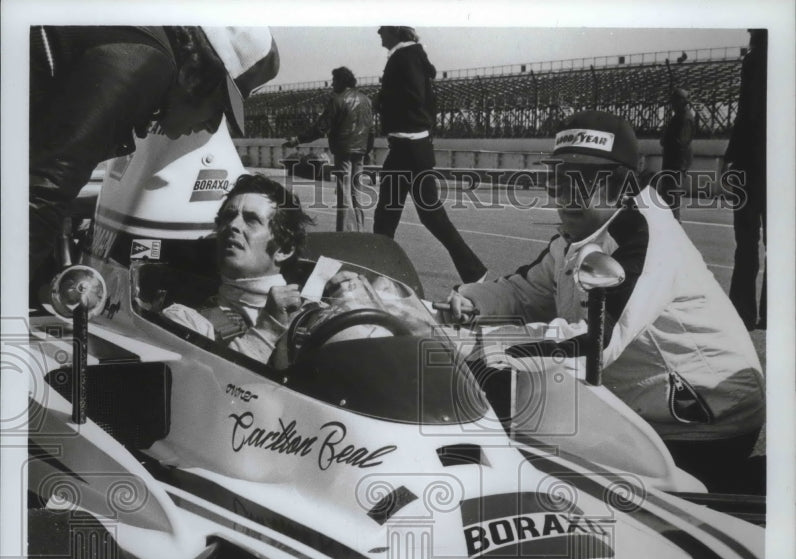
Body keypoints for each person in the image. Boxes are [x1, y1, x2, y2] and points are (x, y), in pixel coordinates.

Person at [446, 110, 764, 491]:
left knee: (532, 463)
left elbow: (594, 344)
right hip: (647, 409)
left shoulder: (642, 235)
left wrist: (479, 349)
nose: (567, 196)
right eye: (558, 180)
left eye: (585, 181)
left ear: (623, 184)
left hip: (705, 425)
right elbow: (523, 291)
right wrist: (469, 302)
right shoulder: (580, 234)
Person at [29, 26, 279, 290]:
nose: (212, 125)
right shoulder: (143, 63)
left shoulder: (142, 43)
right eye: (219, 106)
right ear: (200, 77)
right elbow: (40, 194)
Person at [372, 26, 486, 283]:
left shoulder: (405, 57)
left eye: (382, 29)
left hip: (408, 147)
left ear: (394, 31)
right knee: (402, 215)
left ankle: (376, 269)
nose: (378, 33)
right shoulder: (412, 56)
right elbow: (426, 101)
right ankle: (474, 271)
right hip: (412, 147)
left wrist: (383, 101)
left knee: (405, 215)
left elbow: (415, 97)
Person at [162, 173, 313, 367]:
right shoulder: (187, 320)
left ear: (283, 249)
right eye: (228, 216)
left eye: (251, 220)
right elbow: (210, 385)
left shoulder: (313, 313)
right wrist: (267, 330)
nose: (232, 225)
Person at [283, 67, 374, 233]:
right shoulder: (366, 100)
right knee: (356, 192)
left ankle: (343, 232)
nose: (332, 84)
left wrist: (298, 139)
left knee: (343, 192)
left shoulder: (337, 100)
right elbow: (370, 129)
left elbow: (321, 127)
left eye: (334, 80)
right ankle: (360, 230)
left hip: (343, 150)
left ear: (341, 81)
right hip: (360, 150)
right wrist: (367, 151)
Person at [723, 29, 767, 330]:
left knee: (747, 242)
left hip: (751, 164)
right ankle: (774, 312)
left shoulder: (754, 60)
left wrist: (729, 157)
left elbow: (746, 113)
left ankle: (743, 312)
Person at [657, 87, 695, 220]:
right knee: (668, 197)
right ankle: (671, 223)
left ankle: (675, 225)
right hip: (673, 163)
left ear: (682, 101)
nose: (672, 104)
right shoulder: (680, 116)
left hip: (676, 164)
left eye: (674, 101)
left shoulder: (684, 118)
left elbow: (681, 143)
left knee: (672, 197)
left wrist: (665, 140)